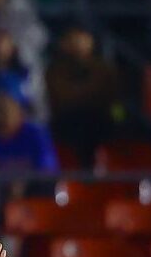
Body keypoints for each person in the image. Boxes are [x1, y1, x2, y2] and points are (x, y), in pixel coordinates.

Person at [46, 24, 119, 166]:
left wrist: (118, 118)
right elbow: (62, 96)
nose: (77, 45)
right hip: (66, 121)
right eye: (72, 40)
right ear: (63, 44)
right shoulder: (54, 71)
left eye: (82, 40)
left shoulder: (104, 69)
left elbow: (112, 98)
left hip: (99, 119)